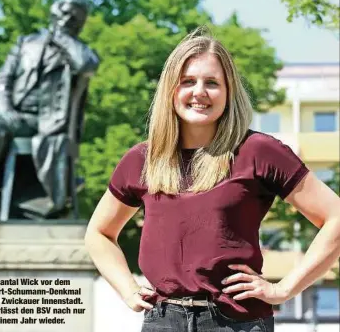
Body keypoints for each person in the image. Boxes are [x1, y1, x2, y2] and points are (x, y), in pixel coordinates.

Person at [84, 28, 340, 332]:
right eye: (188, 81)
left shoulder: (258, 151)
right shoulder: (142, 159)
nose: (199, 92)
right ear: (171, 90)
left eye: (212, 83)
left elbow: (335, 217)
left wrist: (283, 289)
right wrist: (127, 288)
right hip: (162, 321)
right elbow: (98, 234)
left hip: (236, 323)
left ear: (229, 92)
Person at [0, 0, 99, 218]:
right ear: (54, 11)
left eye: (76, 18)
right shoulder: (26, 43)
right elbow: (3, 79)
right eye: (66, 13)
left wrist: (62, 37)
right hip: (8, 109)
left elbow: (86, 65)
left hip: (43, 119)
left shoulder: (79, 52)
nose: (69, 20)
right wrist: (5, 108)